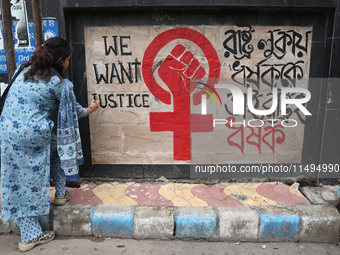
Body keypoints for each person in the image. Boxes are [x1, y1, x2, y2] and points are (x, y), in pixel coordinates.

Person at [0, 37, 99, 252]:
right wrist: (91, 108)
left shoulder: (23, 70)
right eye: (68, 60)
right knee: (26, 182)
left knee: (53, 150)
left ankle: (61, 194)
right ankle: (30, 235)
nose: (68, 64)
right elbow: (75, 112)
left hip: (7, 132)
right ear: (61, 59)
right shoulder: (58, 84)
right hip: (32, 135)